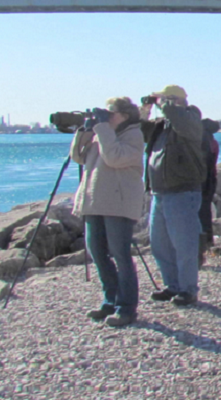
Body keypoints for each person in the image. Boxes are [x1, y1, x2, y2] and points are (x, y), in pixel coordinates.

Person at [70, 97, 144, 327]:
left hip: (118, 205)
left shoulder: (134, 135)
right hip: (95, 202)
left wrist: (102, 128)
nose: (106, 116)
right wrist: (84, 130)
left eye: (110, 112)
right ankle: (109, 300)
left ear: (124, 115)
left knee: (120, 255)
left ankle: (126, 307)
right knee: (98, 253)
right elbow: (77, 157)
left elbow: (114, 158)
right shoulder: (101, 134)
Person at [141, 85, 206, 306]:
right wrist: (145, 109)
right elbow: (140, 130)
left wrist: (165, 104)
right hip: (159, 192)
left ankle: (188, 289)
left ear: (175, 100)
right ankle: (172, 285)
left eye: (166, 100)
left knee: (184, 244)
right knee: (159, 244)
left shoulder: (191, 117)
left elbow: (184, 124)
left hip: (182, 191)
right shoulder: (162, 125)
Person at [199, 118, 220, 266]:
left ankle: (203, 243)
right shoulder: (213, 142)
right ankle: (207, 240)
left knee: (201, 212)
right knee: (205, 211)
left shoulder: (206, 143)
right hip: (211, 178)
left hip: (205, 179)